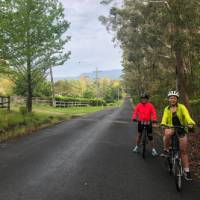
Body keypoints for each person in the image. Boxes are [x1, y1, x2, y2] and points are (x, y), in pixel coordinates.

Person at [160, 90, 195, 181]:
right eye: (171, 98)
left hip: (181, 128)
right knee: (166, 134)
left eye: (174, 98)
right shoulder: (166, 109)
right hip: (171, 127)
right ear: (168, 99)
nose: (172, 100)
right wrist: (163, 124)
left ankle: (186, 171)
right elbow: (164, 119)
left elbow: (187, 117)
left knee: (183, 150)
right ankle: (166, 150)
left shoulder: (182, 107)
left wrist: (190, 123)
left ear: (177, 99)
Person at [132, 92, 158, 156]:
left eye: (145, 98)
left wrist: (154, 119)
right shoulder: (138, 105)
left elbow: (153, 112)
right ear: (141, 99)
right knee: (139, 135)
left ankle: (153, 150)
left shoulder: (150, 105)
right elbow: (135, 112)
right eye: (142, 98)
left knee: (150, 136)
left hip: (148, 122)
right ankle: (137, 147)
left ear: (147, 99)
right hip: (141, 121)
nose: (143, 99)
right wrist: (134, 118)